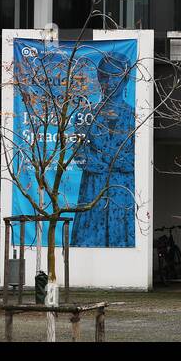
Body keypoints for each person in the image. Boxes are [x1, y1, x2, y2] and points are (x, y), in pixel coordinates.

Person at [70, 47, 136, 247]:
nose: (110, 82)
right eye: (105, 76)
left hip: (123, 190)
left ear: (124, 79)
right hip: (93, 188)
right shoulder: (84, 115)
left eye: (115, 76)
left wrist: (106, 161)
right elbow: (79, 154)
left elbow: (136, 158)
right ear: (99, 79)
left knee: (122, 237)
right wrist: (109, 163)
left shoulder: (136, 117)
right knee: (90, 235)